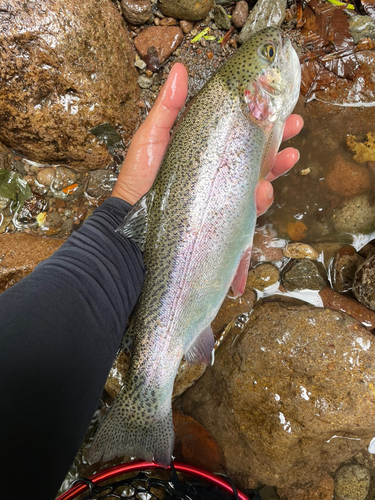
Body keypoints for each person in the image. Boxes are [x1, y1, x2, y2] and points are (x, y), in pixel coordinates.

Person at [0, 63, 303, 500]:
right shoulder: (245, 111)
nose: (282, 57)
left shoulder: (247, 109)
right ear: (255, 92)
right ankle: (148, 399)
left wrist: (120, 222)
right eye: (272, 54)